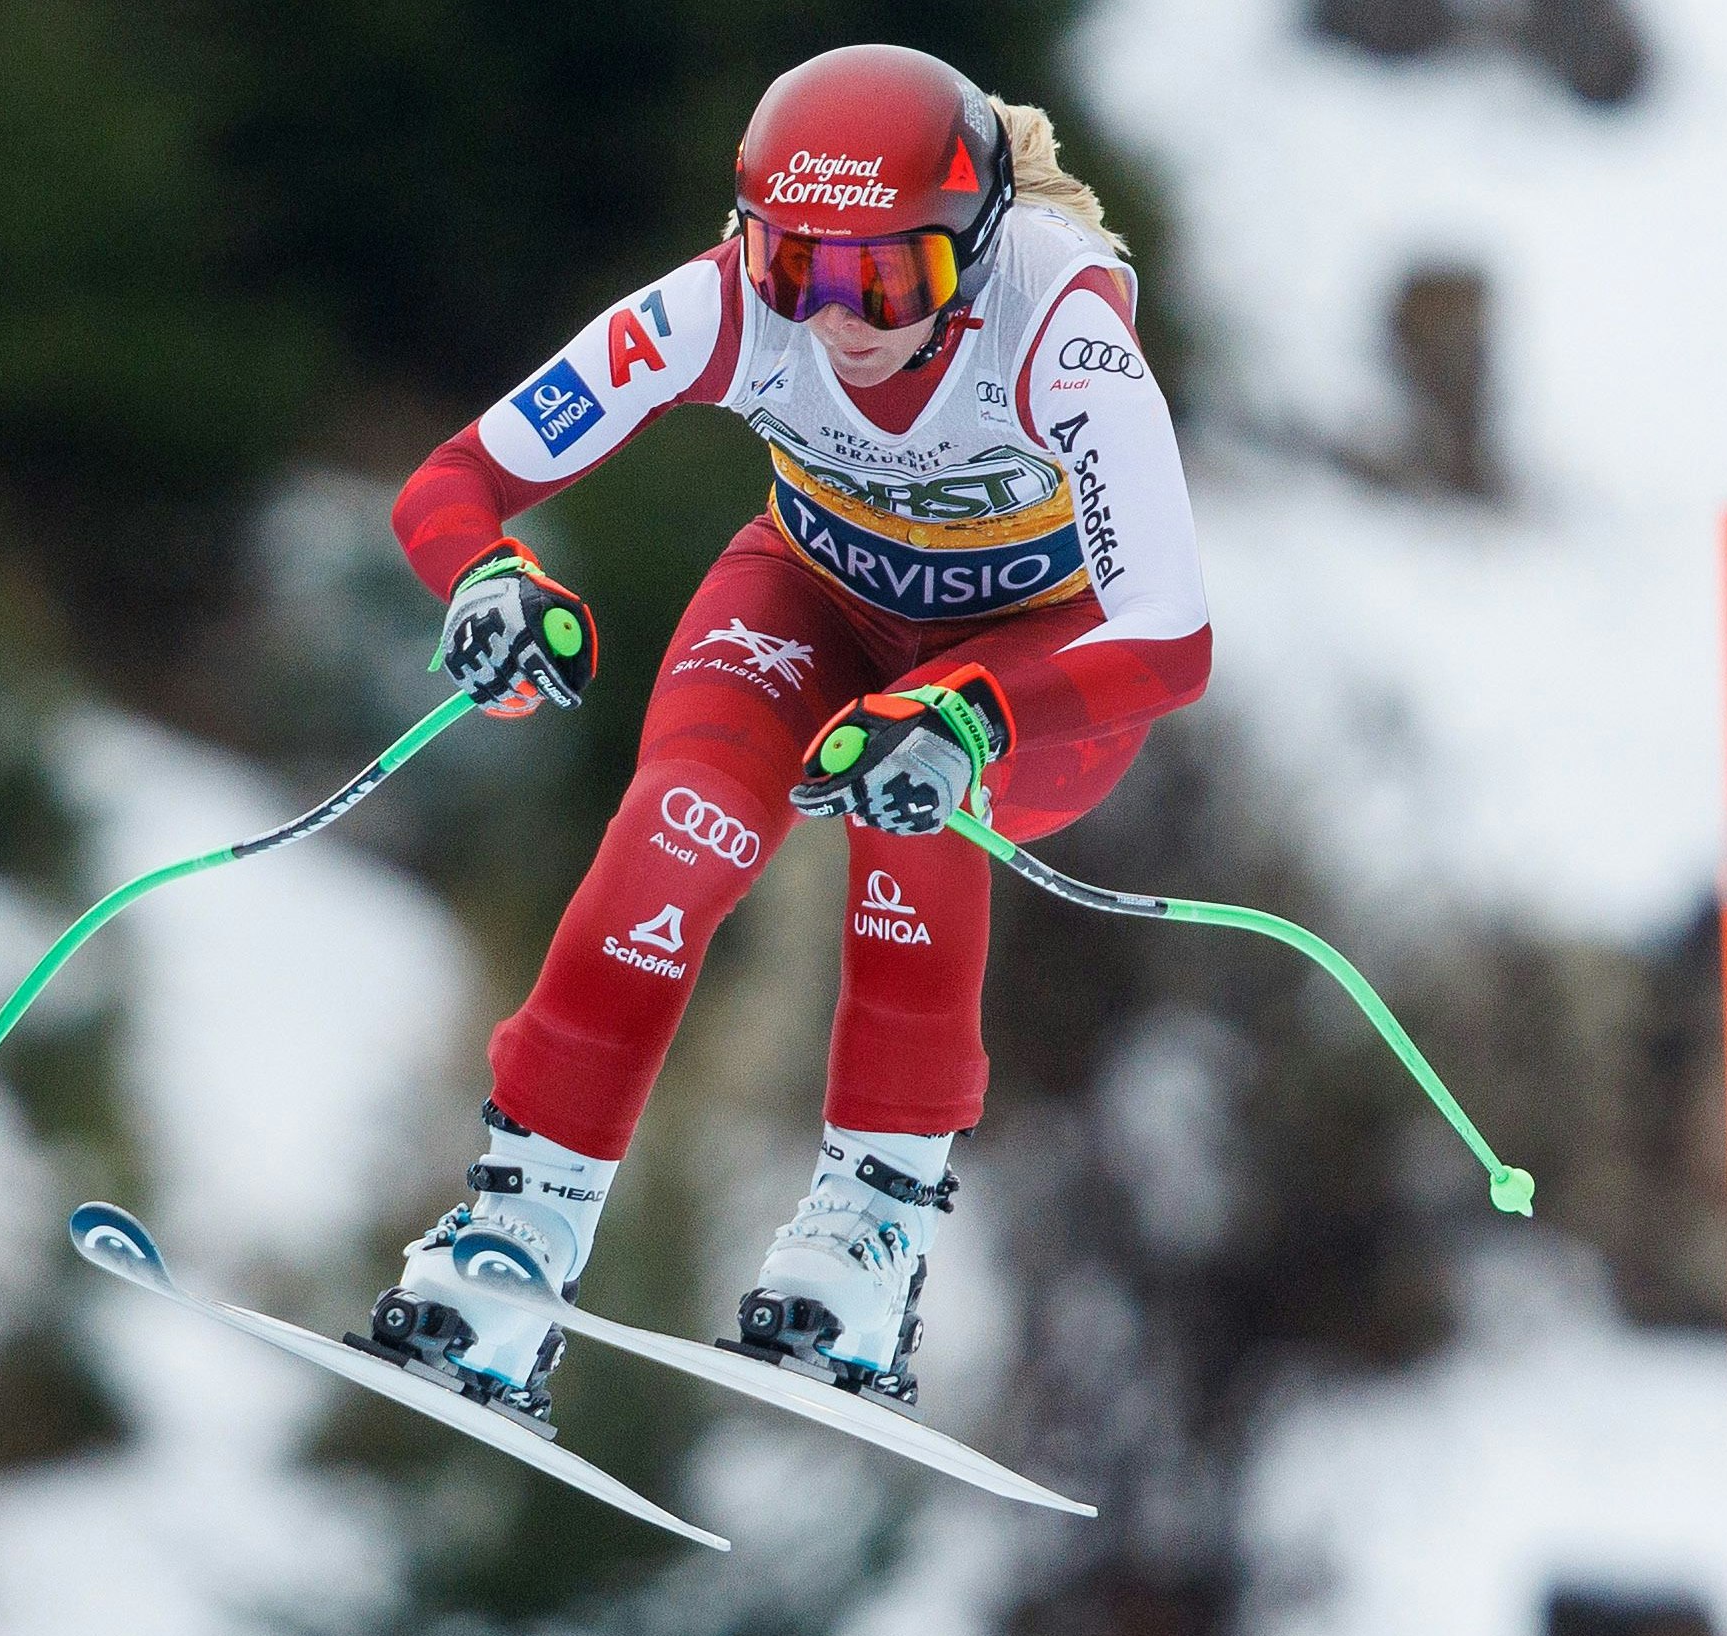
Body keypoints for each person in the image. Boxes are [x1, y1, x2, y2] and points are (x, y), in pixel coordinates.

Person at [360, 43, 1211, 1427]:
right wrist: (486, 580)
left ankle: (867, 1237)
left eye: (889, 278)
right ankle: (516, 1235)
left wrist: (975, 708)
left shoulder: (1057, 323)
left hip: (1036, 667)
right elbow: (459, 479)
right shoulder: (718, 306)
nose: (836, 318)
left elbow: (1168, 635)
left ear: (977, 245)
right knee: (674, 828)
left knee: (906, 785)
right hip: (814, 593)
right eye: (791, 268)